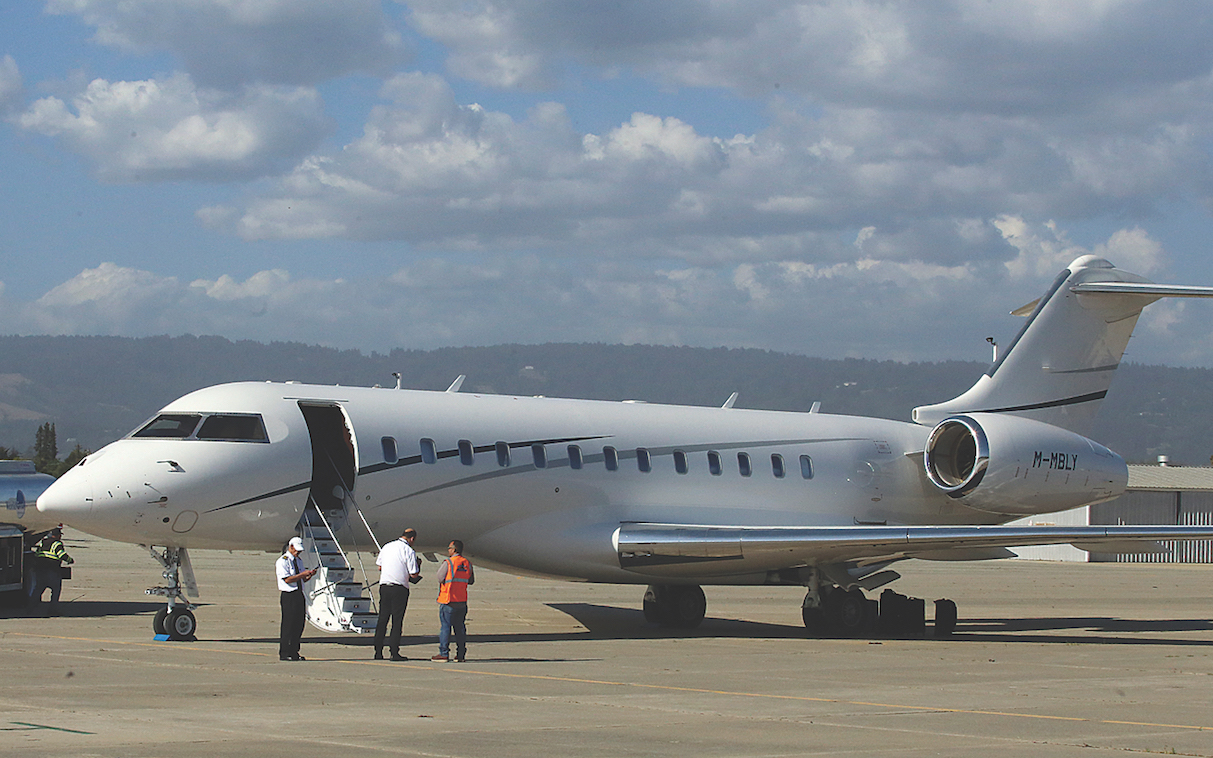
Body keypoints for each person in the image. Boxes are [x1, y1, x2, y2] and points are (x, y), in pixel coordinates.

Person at [374, 527, 421, 661]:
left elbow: (379, 566)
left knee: (382, 619)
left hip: (384, 586)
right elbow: (413, 573)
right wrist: (418, 565)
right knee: (396, 621)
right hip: (399, 588)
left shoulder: (387, 546)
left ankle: (378, 651)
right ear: (412, 539)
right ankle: (394, 652)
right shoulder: (408, 550)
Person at [276, 536, 317, 661]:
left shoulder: (298, 561)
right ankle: (284, 652)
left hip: (299, 593)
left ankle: (294, 651)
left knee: (299, 624)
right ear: (291, 547)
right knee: (288, 624)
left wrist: (308, 575)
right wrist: (301, 575)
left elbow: (302, 579)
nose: (298, 552)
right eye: (296, 550)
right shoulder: (283, 561)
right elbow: (287, 579)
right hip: (289, 595)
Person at [432, 539, 474, 662]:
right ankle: (460, 654)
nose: (448, 550)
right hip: (462, 601)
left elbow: (440, 577)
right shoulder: (467, 563)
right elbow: (471, 580)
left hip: (448, 600)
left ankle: (444, 653)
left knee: (445, 627)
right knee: (460, 628)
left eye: (449, 548)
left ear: (454, 549)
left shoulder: (449, 563)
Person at [29, 526, 73, 615]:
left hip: (40, 570)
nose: (60, 537)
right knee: (56, 590)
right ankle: (53, 610)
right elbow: (61, 555)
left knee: (38, 590)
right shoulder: (57, 544)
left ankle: (30, 608)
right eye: (59, 535)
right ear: (56, 536)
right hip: (52, 571)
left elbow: (37, 555)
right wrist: (70, 560)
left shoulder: (43, 543)